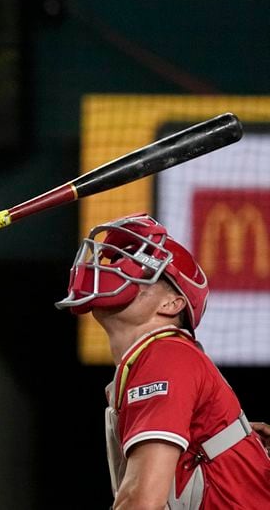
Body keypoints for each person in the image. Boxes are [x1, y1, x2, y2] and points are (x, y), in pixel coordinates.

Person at [55, 213, 270, 509]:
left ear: (172, 304)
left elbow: (142, 500)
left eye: (137, 265)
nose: (115, 268)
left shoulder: (166, 355)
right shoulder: (153, 360)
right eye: (117, 260)